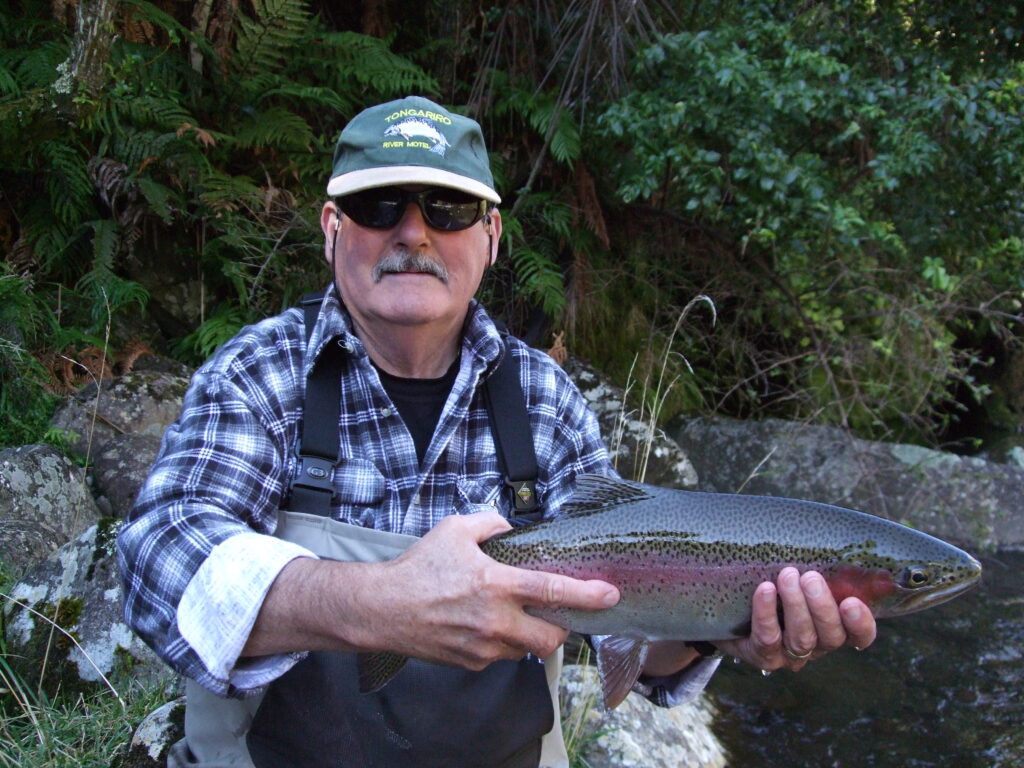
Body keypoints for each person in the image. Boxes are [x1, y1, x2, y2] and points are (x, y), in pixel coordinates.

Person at [118, 95, 877, 768]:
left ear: (490, 235)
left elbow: (625, 624)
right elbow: (156, 562)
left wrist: (720, 625)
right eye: (379, 205)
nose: (413, 233)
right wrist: (375, 605)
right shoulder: (259, 373)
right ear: (331, 228)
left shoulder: (546, 401)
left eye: (447, 209)